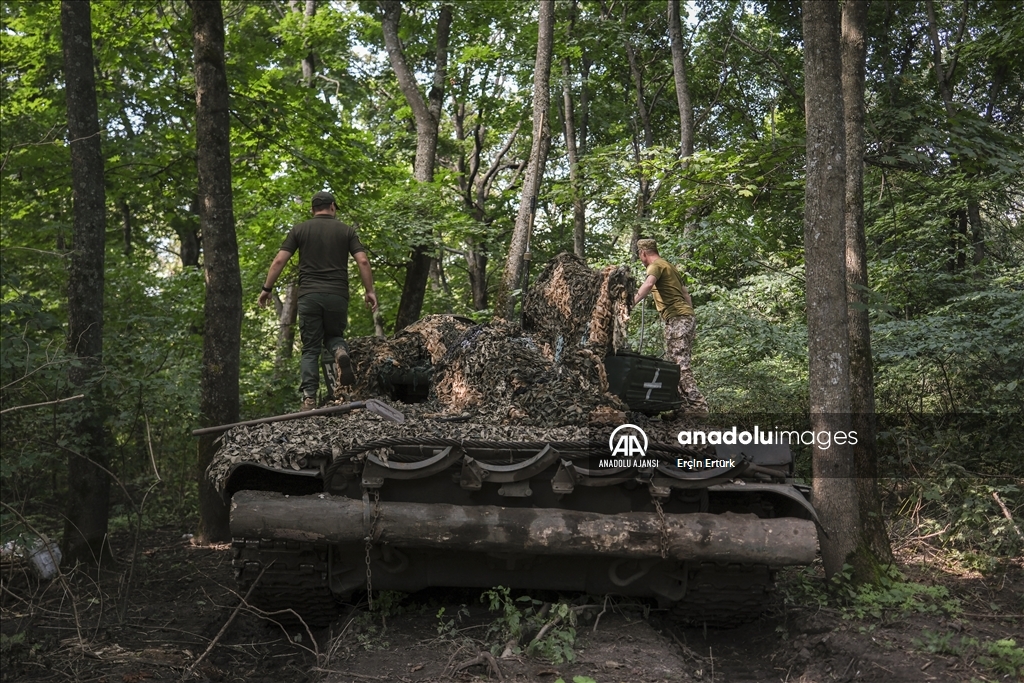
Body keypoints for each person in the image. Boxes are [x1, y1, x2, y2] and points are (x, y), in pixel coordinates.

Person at [258, 191, 378, 411]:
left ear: (312, 209)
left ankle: (309, 399)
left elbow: (278, 261)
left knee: (311, 348)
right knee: (334, 336)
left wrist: (267, 289)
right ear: (332, 206)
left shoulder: (299, 230)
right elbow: (362, 261)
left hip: (309, 296)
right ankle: (340, 351)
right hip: (337, 295)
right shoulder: (346, 231)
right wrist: (369, 291)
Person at [632, 238, 708, 414]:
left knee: (679, 365)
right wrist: (690, 318)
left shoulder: (655, 266)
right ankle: (683, 408)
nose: (641, 260)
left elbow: (649, 284)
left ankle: (698, 406)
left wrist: (630, 304)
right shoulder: (670, 267)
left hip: (677, 318)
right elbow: (686, 294)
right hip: (686, 318)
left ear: (643, 253)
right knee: (675, 363)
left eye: (640, 256)